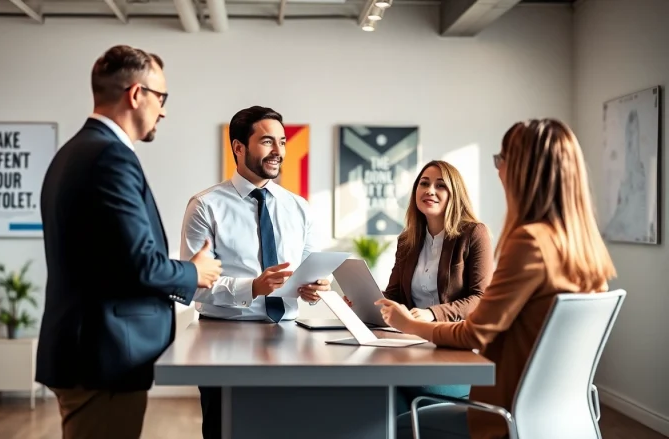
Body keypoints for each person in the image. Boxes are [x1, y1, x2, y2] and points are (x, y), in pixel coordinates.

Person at [376, 118, 617, 439]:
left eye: (502, 159)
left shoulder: (530, 242)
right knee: (394, 395)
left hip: (502, 414)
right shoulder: (585, 247)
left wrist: (410, 325)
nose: (499, 169)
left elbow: (475, 333)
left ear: (524, 169)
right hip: (559, 416)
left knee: (383, 419)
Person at [35, 44, 222, 439]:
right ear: (136, 94)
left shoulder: (75, 152)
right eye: (161, 98)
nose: (164, 111)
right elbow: (140, 264)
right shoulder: (110, 157)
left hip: (89, 351)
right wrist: (195, 272)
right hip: (102, 357)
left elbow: (112, 259)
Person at [180, 105, 330, 439]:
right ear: (238, 147)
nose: (279, 151)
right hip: (221, 339)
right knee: (225, 430)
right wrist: (252, 287)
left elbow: (309, 273)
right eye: (267, 141)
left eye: (282, 142)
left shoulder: (298, 207)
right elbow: (192, 283)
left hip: (288, 338)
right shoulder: (205, 206)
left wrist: (315, 288)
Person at [349, 160, 493, 414]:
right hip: (412, 347)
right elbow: (394, 295)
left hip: (455, 352)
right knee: (379, 394)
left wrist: (432, 314)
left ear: (455, 194)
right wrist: (361, 301)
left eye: (440, 185)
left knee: (381, 389)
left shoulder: (473, 233)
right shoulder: (408, 240)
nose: (429, 190)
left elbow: (480, 299)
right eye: (424, 183)